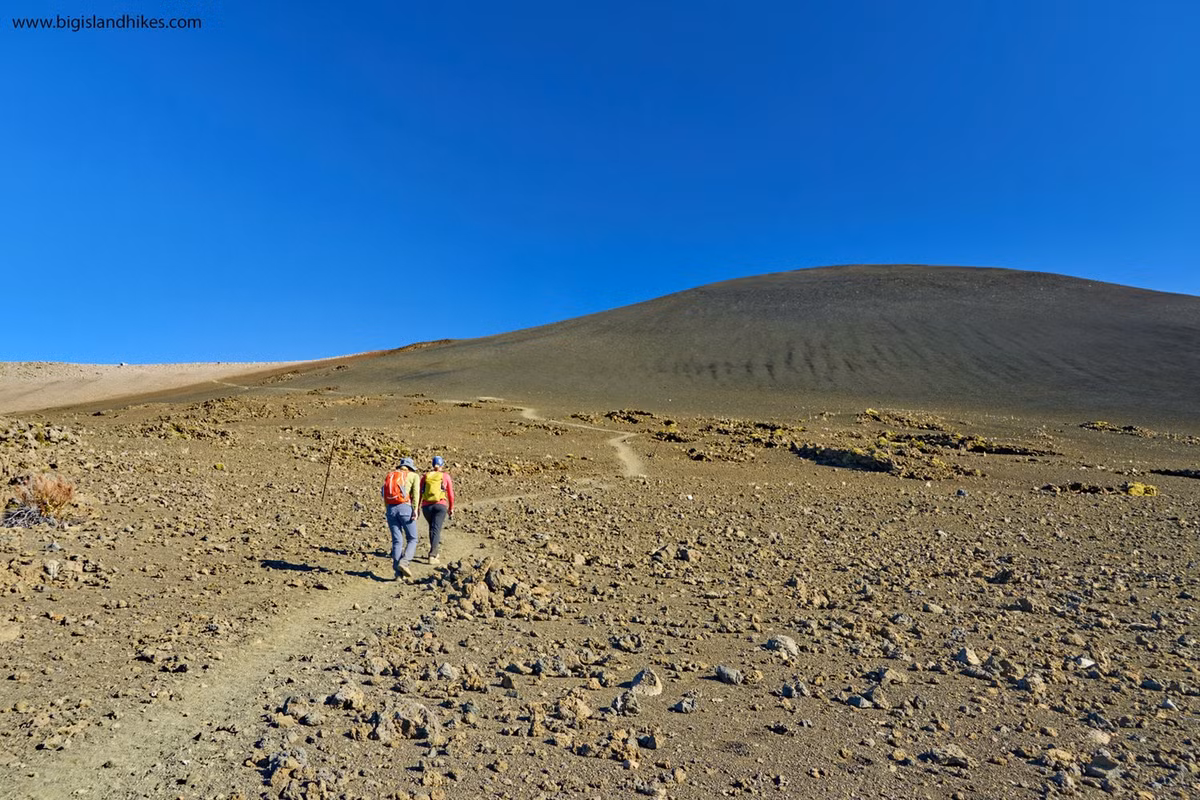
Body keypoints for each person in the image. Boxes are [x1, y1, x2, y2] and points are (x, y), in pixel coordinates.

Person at [381, 457, 420, 580]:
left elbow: (383, 493)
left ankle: (397, 574)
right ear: (410, 467)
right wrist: (415, 509)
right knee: (412, 538)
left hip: (391, 509)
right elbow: (416, 493)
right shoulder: (413, 476)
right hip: (405, 508)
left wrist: (388, 509)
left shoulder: (391, 475)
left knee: (397, 541)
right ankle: (404, 562)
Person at [420, 455, 455, 564]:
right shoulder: (445, 476)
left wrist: (416, 508)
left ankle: (434, 551)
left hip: (426, 506)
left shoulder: (425, 476)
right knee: (436, 529)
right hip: (440, 505)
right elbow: (450, 494)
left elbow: (420, 492)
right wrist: (451, 508)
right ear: (442, 465)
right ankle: (433, 555)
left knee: (432, 528)